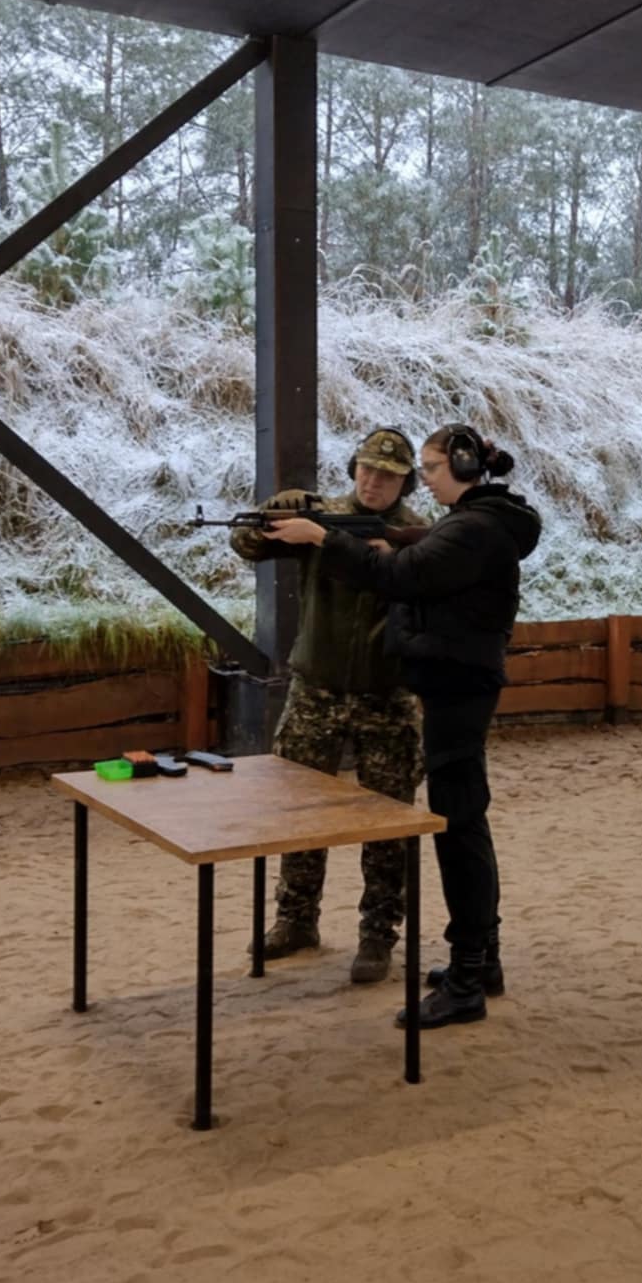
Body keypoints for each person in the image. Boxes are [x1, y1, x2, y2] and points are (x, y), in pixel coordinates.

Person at [265, 423, 540, 1029]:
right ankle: (482, 963)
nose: (428, 480)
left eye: (433, 469)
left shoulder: (472, 528)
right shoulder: (476, 523)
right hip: (454, 687)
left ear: (463, 468)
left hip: (455, 690)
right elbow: (414, 562)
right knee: (463, 825)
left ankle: (467, 980)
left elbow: (400, 577)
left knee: (459, 831)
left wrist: (327, 538)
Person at [229, 427, 427, 984]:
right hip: (316, 688)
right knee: (300, 811)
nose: (373, 481)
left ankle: (378, 933)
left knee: (388, 821)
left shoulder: (420, 536)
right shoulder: (322, 519)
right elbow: (247, 545)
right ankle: (296, 920)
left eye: (387, 475)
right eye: (366, 469)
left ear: (405, 481)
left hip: (387, 695)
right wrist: (271, 513)